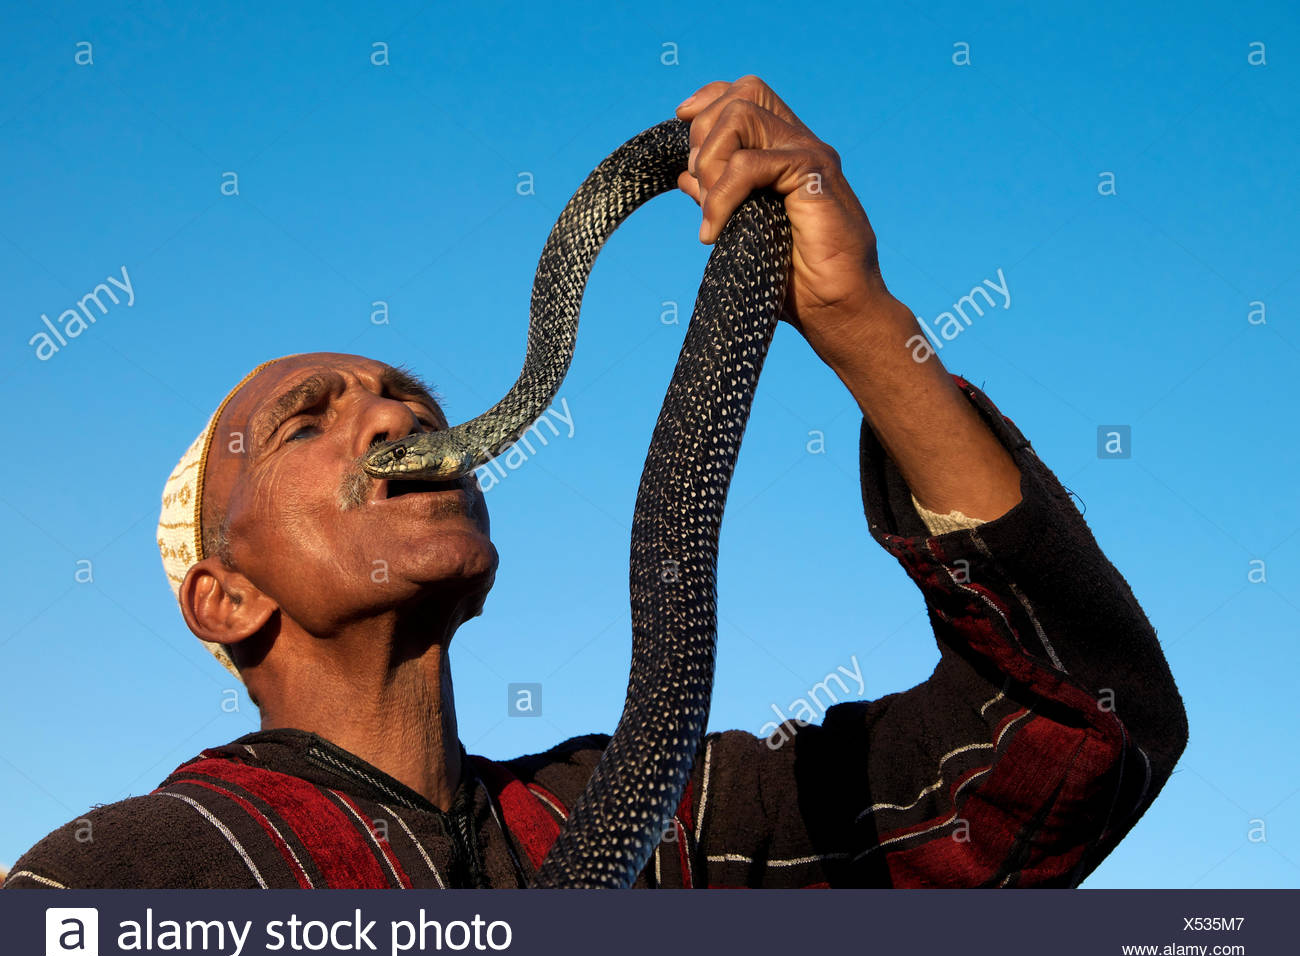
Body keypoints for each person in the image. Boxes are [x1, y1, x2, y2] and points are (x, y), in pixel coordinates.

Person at [4, 76, 1186, 889]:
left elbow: (1082, 732)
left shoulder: (671, 825)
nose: (397, 416)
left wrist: (858, 323)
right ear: (224, 597)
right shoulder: (121, 875)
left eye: (406, 396)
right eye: (308, 423)